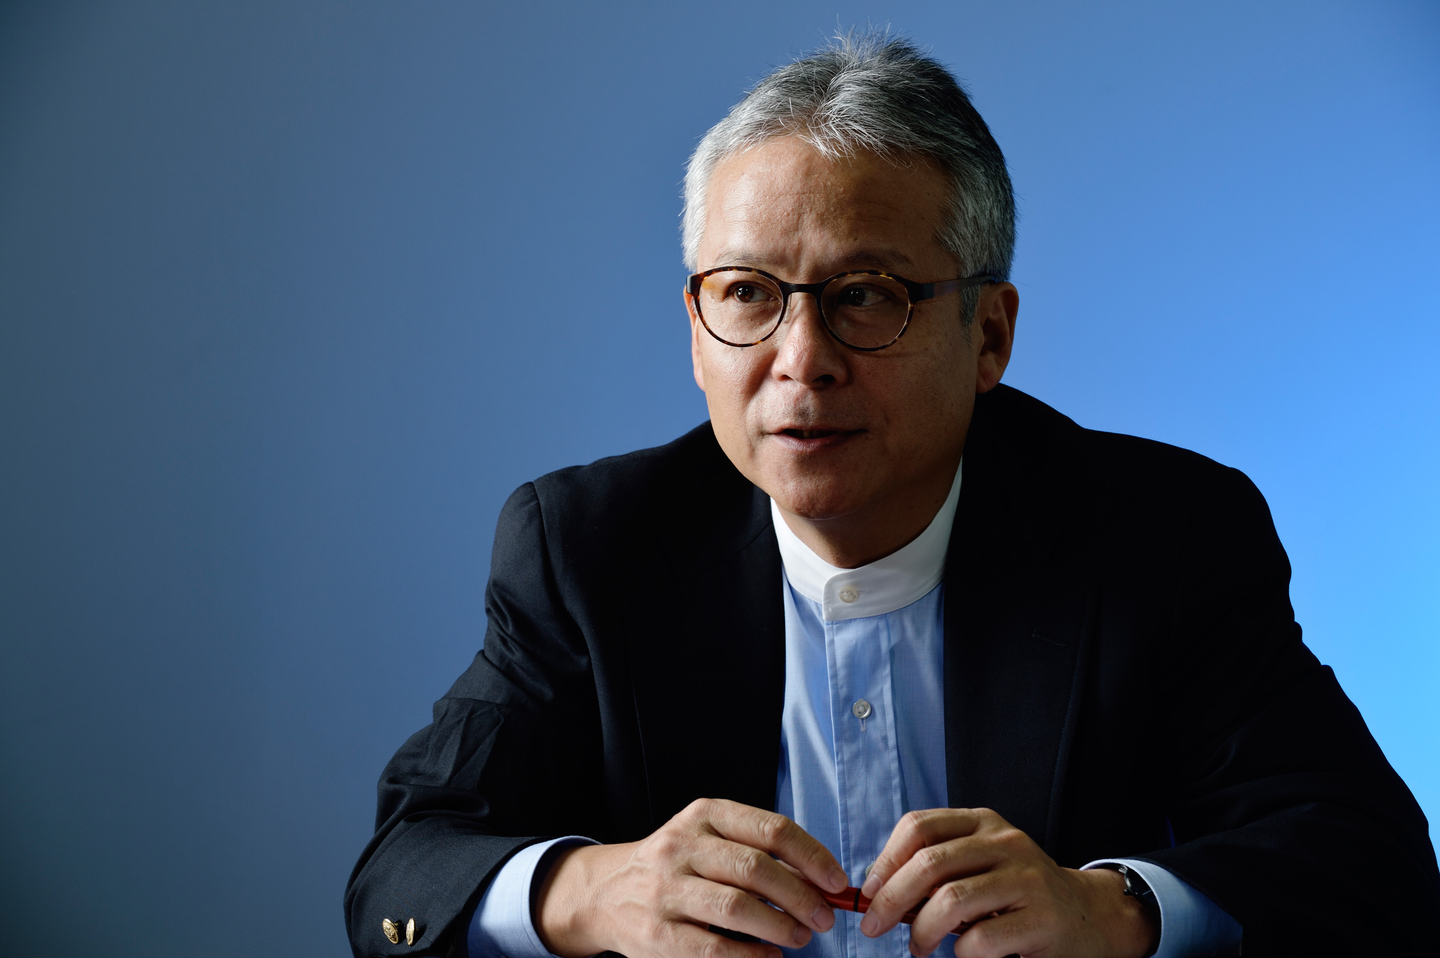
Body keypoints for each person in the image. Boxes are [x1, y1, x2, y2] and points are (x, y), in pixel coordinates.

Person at [344, 34, 1438, 958]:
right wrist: (590, 892)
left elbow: (1373, 867)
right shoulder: (591, 549)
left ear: (989, 335)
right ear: (696, 332)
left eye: (866, 296)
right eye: (748, 294)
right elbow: (404, 869)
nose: (801, 360)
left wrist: (1115, 910)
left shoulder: (1165, 537)